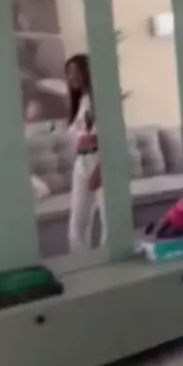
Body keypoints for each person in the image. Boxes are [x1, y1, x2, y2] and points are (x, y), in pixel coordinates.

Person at [66, 54, 106, 253]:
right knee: (77, 225)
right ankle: (82, 262)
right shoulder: (82, 100)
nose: (71, 77)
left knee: (109, 220)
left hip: (100, 160)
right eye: (68, 72)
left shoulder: (102, 100)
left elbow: (111, 137)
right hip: (81, 162)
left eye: (75, 71)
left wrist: (100, 168)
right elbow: (80, 134)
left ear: (87, 72)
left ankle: (113, 264)